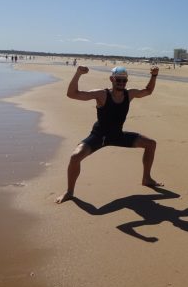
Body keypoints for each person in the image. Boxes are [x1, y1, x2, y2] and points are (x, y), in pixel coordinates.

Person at [55, 66, 162, 204]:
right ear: (112, 79)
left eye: (124, 80)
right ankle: (69, 192)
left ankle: (146, 178)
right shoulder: (102, 94)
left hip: (117, 135)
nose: (121, 83)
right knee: (75, 157)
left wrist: (154, 76)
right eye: (118, 80)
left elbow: (148, 91)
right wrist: (78, 74)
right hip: (99, 136)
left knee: (151, 144)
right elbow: (72, 94)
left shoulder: (129, 94)